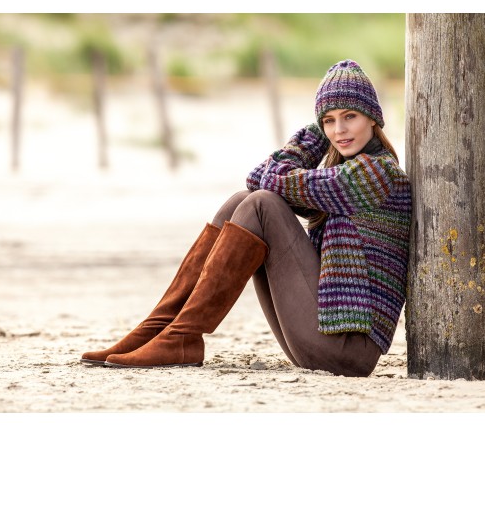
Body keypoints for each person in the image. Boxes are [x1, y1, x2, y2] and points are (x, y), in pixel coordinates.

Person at [81, 59, 411, 376]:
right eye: (328, 121)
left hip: (348, 349)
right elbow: (257, 181)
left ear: (372, 118)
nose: (339, 130)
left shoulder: (377, 174)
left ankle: (182, 336)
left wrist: (315, 136)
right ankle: (160, 329)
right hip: (322, 338)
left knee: (261, 204)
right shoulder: (346, 171)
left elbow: (264, 179)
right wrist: (324, 132)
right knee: (242, 201)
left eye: (350, 116)